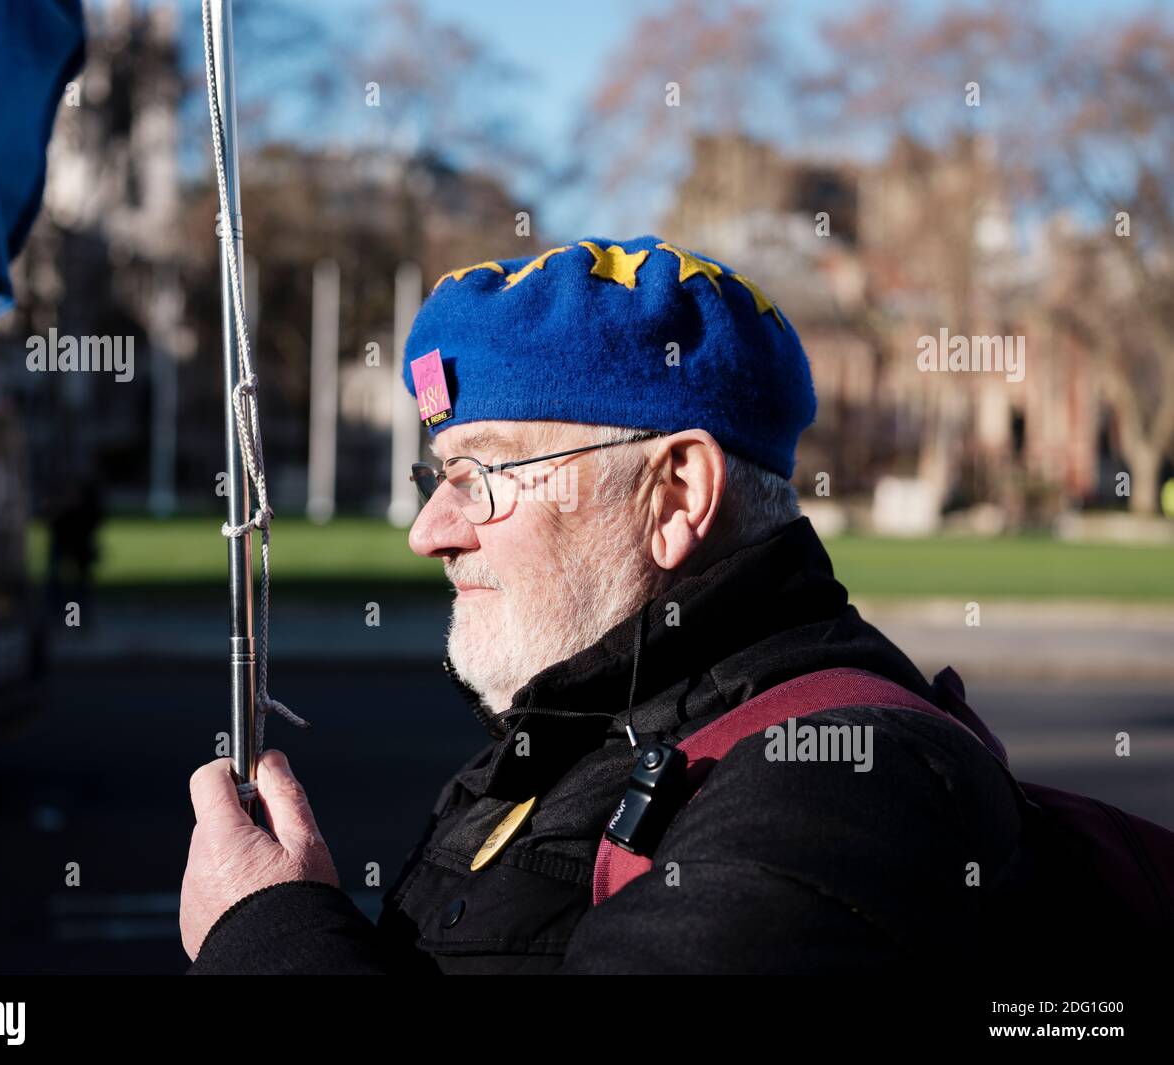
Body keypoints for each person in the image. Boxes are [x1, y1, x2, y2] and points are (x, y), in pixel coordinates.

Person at [179, 236, 1033, 974]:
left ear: (675, 493)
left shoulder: (840, 785)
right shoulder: (578, 729)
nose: (429, 531)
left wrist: (268, 935)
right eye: (438, 476)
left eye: (484, 474)